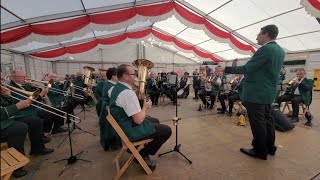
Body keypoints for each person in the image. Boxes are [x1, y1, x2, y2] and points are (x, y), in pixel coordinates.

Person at [224, 24, 285, 160]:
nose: (257, 37)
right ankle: (270, 147)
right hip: (268, 92)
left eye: (259, 34)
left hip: (257, 93)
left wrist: (226, 69)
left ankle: (259, 151)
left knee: (258, 122)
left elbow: (248, 68)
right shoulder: (280, 50)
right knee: (268, 120)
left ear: (267, 35)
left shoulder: (265, 49)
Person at [109, 64, 172, 170]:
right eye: (134, 74)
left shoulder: (115, 87)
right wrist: (145, 107)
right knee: (167, 130)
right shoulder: (127, 93)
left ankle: (142, 149)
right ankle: (142, 154)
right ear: (125, 76)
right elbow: (138, 120)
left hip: (123, 124)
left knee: (156, 121)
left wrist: (133, 93)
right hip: (129, 130)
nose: (136, 77)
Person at [0, 73, 54, 178]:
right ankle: (16, 166)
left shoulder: (16, 86)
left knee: (36, 121)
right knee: (20, 127)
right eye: (0, 78)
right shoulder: (11, 86)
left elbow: (8, 103)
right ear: (14, 77)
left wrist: (6, 97)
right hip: (17, 114)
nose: (2, 79)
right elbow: (14, 105)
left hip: (17, 112)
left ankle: (37, 148)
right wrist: (16, 106)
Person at [98, 67, 122, 151]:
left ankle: (110, 143)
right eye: (118, 75)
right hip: (109, 109)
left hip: (107, 107)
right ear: (113, 77)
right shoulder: (112, 87)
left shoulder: (109, 84)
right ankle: (113, 144)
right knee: (110, 129)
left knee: (108, 128)